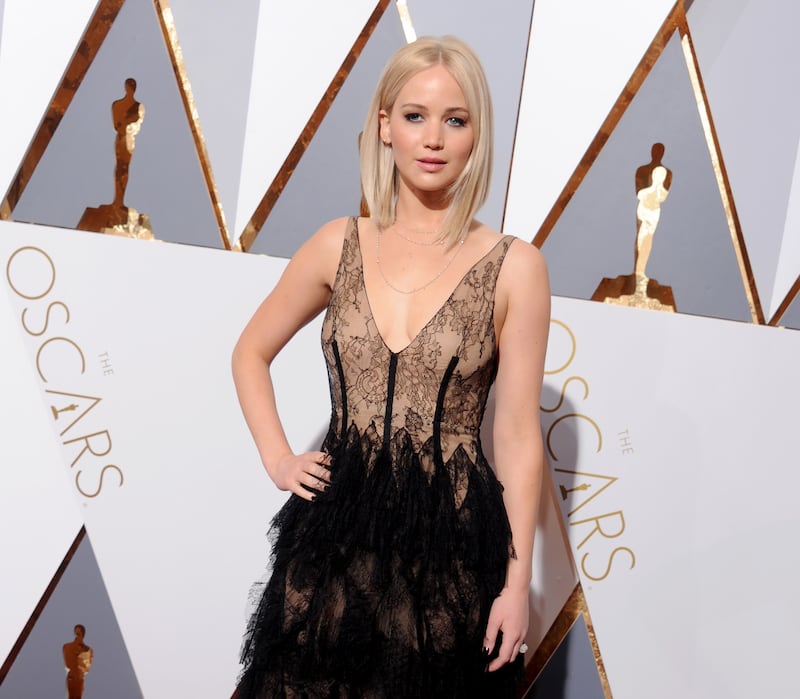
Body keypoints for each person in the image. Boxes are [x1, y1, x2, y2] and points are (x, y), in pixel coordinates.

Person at [232, 35, 550, 698]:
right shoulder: (335, 244)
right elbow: (250, 351)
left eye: (454, 119)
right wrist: (280, 459)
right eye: (414, 116)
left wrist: (518, 582)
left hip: (453, 552)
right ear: (384, 126)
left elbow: (519, 437)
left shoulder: (515, 266)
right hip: (333, 541)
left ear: (476, 134)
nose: (433, 138)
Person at [63, 624, 93, 699]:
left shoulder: (88, 650)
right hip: (73, 678)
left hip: (79, 678)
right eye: (77, 634)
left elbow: (87, 668)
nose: (77, 636)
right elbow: (68, 664)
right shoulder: (67, 647)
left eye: (79, 634)